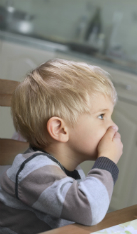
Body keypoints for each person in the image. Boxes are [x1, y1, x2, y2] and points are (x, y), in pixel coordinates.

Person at [0, 59, 123, 234]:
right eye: (102, 116)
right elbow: (90, 210)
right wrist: (107, 161)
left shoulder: (67, 168)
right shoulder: (34, 171)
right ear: (59, 129)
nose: (114, 127)